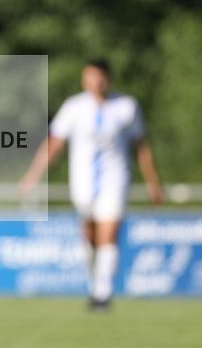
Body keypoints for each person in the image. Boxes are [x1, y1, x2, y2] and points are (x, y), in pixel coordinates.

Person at [19, 59, 163, 310]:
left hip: (115, 181)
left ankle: (103, 294)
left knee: (109, 234)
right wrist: (34, 175)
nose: (95, 83)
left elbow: (141, 147)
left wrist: (153, 182)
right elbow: (55, 144)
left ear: (108, 78)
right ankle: (95, 283)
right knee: (90, 237)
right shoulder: (74, 107)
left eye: (99, 77)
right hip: (83, 182)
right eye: (90, 77)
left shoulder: (126, 107)